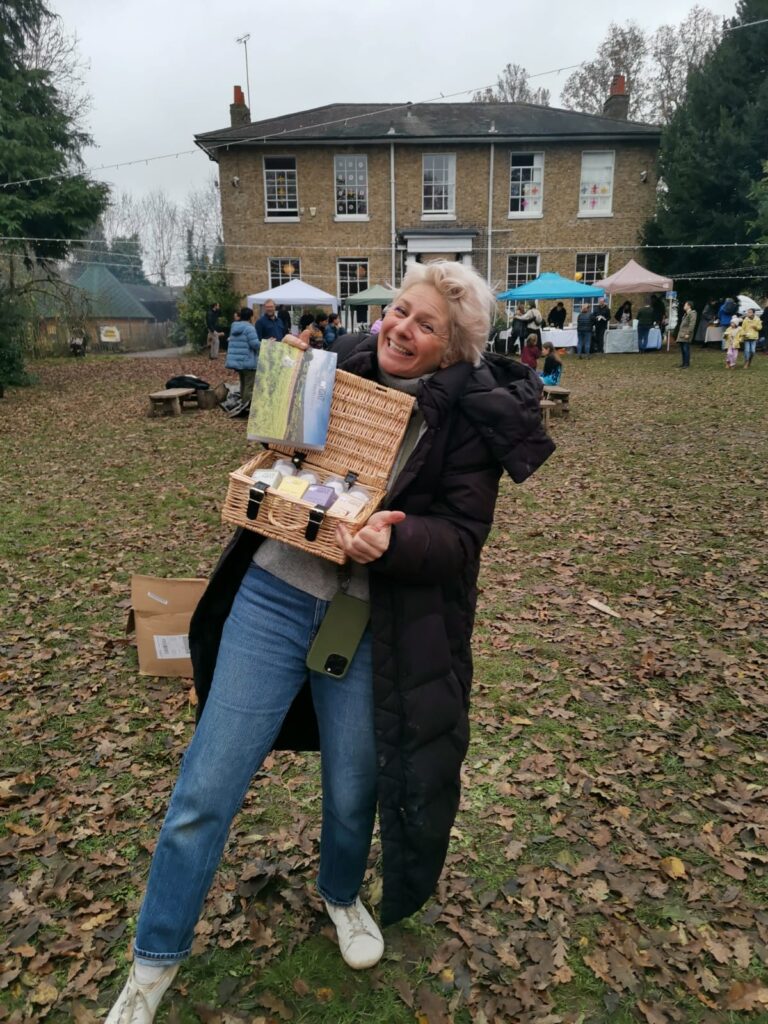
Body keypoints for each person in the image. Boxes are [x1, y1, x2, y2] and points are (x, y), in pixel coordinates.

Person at [104, 260, 555, 1024]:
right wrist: (267, 455)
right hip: (274, 598)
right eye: (399, 312)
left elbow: (460, 540)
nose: (401, 330)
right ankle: (152, 963)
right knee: (203, 790)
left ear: (450, 351)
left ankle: (341, 895)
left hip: (367, 624)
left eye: (425, 326)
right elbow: (276, 447)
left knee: (353, 792)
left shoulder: (462, 424)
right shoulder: (333, 367)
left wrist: (396, 541)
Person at [224, 307, 261, 417]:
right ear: (251, 317)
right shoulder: (249, 328)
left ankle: (243, 406)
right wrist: (267, 343)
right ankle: (247, 408)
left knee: (243, 384)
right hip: (248, 361)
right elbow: (255, 344)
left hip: (239, 362)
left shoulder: (235, 326)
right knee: (249, 386)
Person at [676, 300, 696, 369]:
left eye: (685, 305)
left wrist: (688, 333)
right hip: (682, 334)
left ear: (689, 306)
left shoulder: (692, 314)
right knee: (682, 349)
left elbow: (692, 325)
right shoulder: (686, 314)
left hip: (686, 334)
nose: (684, 306)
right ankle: (684, 363)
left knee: (686, 349)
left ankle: (687, 364)